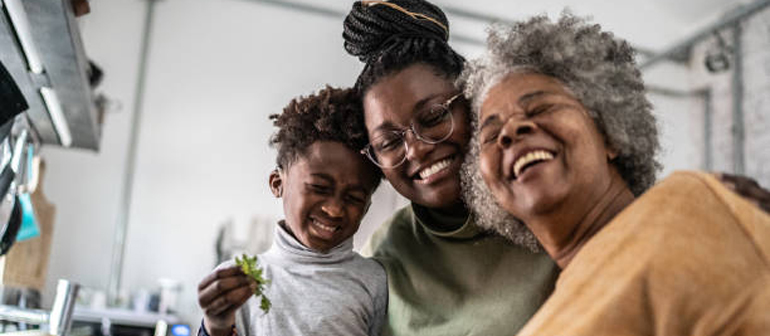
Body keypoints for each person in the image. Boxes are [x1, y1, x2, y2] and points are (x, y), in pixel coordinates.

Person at [459, 13, 770, 335]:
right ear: (490, 189)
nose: (511, 131)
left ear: (609, 134)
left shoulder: (690, 206)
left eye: (540, 108)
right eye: (491, 135)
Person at [342, 1, 558, 335]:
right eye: (389, 143)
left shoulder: (553, 212)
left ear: (474, 101)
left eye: (433, 118)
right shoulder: (382, 258)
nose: (416, 149)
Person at [196, 86, 387, 336]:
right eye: (319, 188)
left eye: (353, 198)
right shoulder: (236, 282)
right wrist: (216, 326)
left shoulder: (375, 282)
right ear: (278, 184)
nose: (334, 209)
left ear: (367, 205)